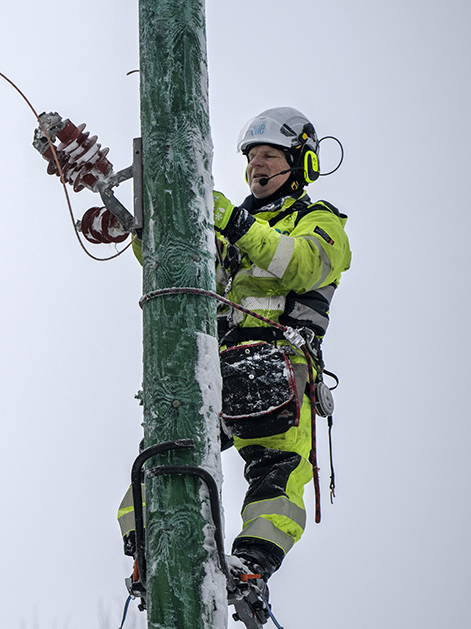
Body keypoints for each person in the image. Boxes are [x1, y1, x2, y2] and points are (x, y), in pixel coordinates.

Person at [118, 107, 351, 611]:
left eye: (269, 156)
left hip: (278, 368)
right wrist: (138, 228)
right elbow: (180, 259)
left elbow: (301, 264)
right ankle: (145, 548)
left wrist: (233, 220)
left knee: (279, 468)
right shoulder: (228, 225)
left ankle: (251, 565)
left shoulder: (320, 222)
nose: (256, 165)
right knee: (162, 451)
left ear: (301, 164)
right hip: (216, 366)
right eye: (251, 157)